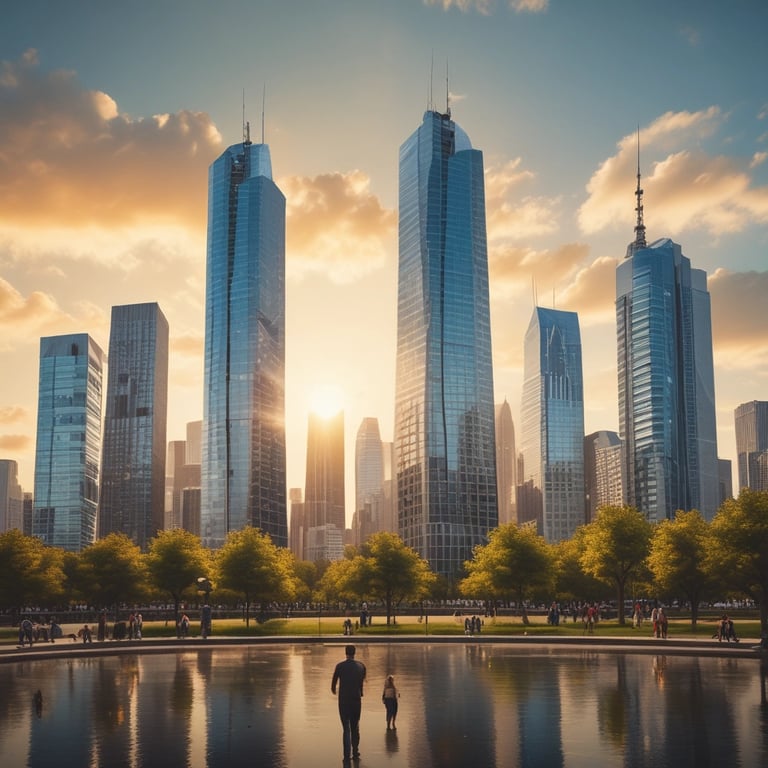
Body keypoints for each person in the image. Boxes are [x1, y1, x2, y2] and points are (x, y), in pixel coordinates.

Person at [331, 644, 366, 763]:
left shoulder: (340, 666)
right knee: (355, 726)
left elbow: (333, 685)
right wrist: (360, 693)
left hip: (344, 701)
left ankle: (346, 755)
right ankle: (355, 751)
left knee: (346, 728)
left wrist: (335, 691)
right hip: (356, 700)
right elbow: (361, 685)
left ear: (346, 653)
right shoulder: (361, 666)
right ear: (354, 653)